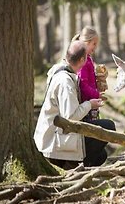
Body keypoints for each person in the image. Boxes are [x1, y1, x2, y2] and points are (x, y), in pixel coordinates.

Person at [34, 40, 115, 169]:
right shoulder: (65, 82)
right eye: (87, 57)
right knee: (108, 127)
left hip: (59, 136)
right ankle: (74, 166)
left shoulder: (64, 71)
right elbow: (70, 117)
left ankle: (76, 163)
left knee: (101, 156)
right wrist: (90, 104)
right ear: (82, 59)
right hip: (54, 143)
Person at [72, 26, 105, 121]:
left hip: (91, 102)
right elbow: (83, 85)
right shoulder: (83, 61)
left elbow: (89, 78)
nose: (95, 47)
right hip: (86, 104)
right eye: (94, 44)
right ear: (86, 42)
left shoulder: (88, 58)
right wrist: (96, 94)